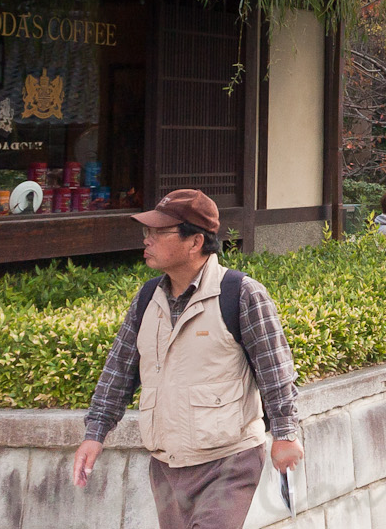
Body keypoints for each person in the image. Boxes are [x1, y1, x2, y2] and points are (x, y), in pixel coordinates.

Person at [73, 190, 304, 529]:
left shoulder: (241, 293)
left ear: (195, 241)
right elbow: (118, 372)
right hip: (166, 466)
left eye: (158, 232)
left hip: (229, 460)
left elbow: (275, 370)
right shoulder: (147, 298)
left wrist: (285, 433)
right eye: (146, 232)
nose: (147, 240)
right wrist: (95, 434)